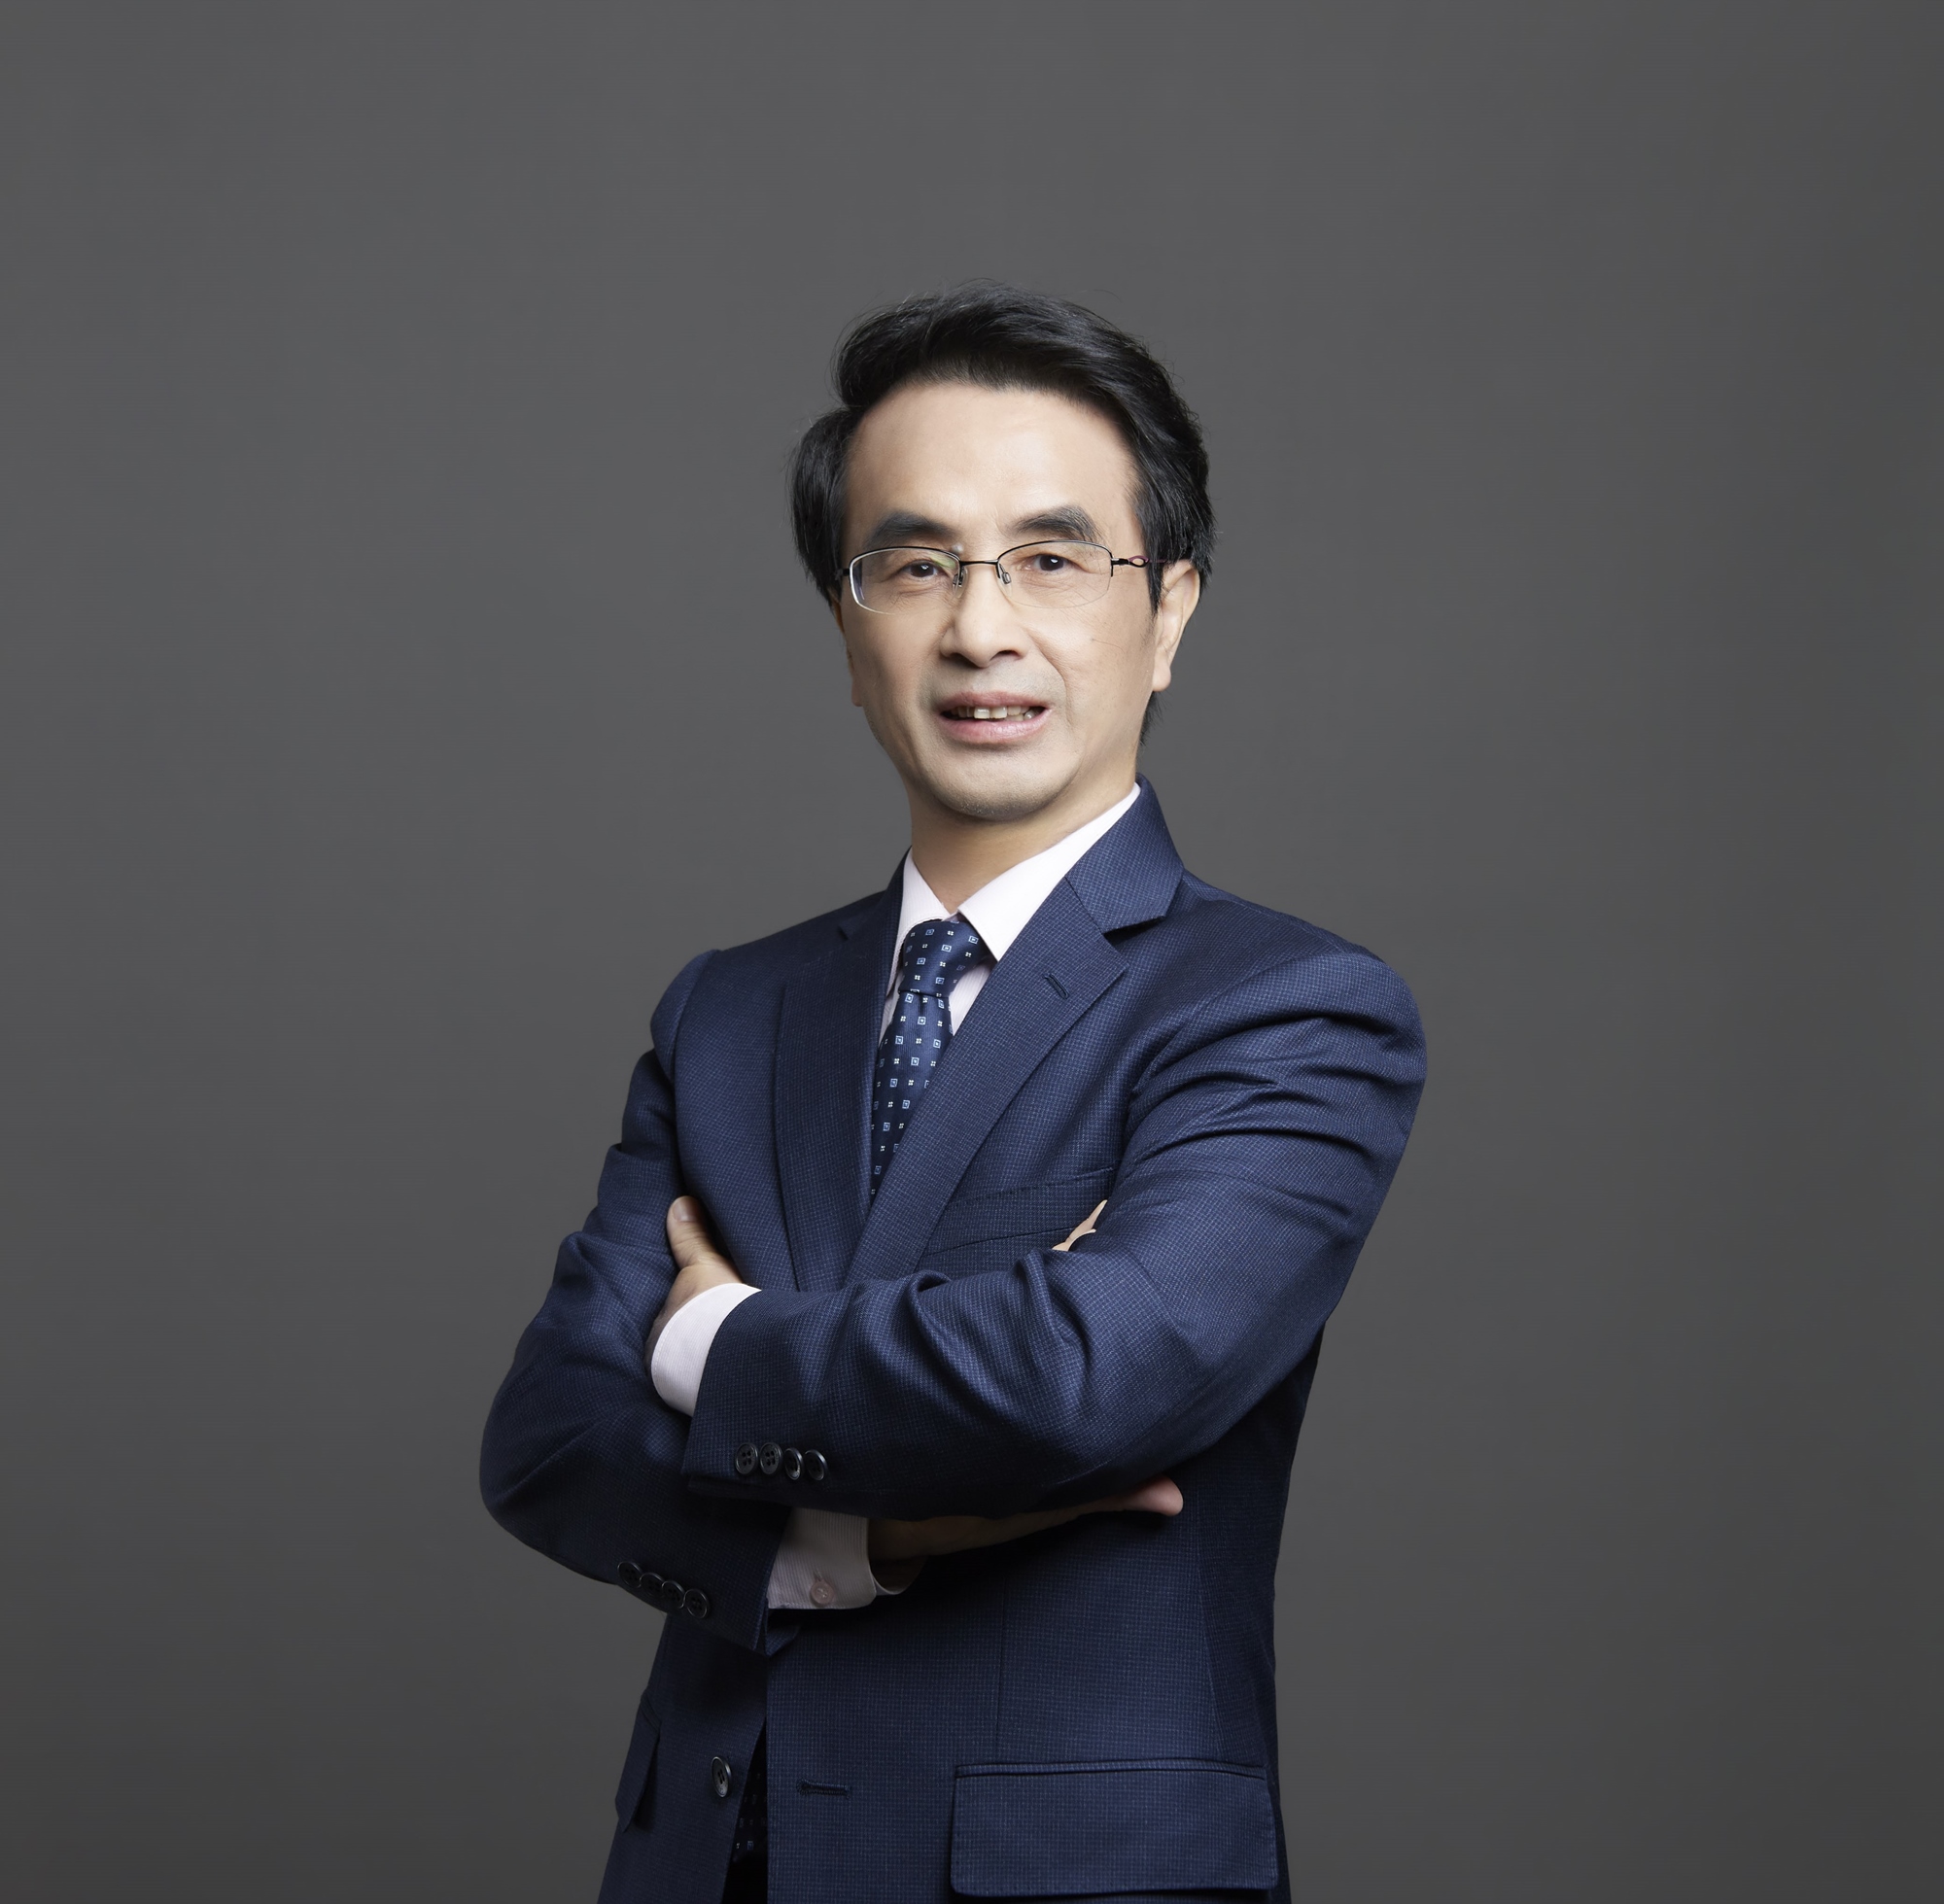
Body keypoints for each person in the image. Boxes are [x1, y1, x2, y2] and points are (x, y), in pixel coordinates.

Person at [480, 283, 1426, 1904]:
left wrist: (706, 1343)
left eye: (1053, 559)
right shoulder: (731, 1011)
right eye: (916, 566)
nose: (981, 628)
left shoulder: (1286, 1009)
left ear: (1171, 611)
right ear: (849, 630)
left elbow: (1084, 1378)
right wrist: (858, 1542)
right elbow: (552, 1438)